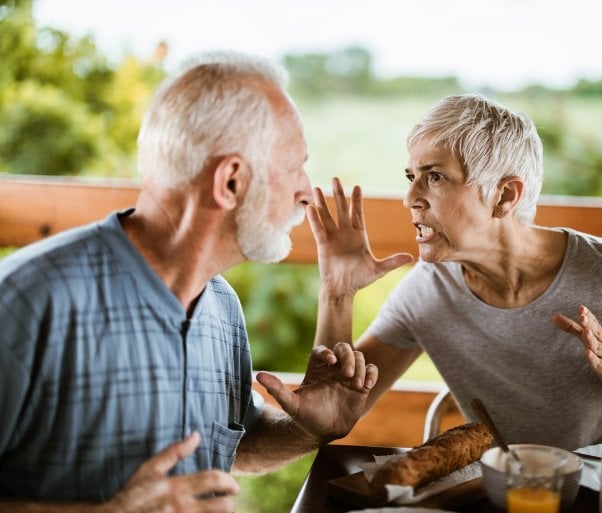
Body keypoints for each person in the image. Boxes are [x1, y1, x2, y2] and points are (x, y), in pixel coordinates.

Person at [0, 51, 380, 512]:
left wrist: (310, 429)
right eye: (293, 166)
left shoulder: (220, 305)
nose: (305, 189)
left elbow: (230, 449)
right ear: (231, 182)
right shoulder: (26, 300)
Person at [310, 94, 602, 452]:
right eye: (412, 176)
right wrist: (337, 295)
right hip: (504, 495)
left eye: (436, 176)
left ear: (505, 195)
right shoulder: (428, 291)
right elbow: (333, 413)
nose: (410, 198)